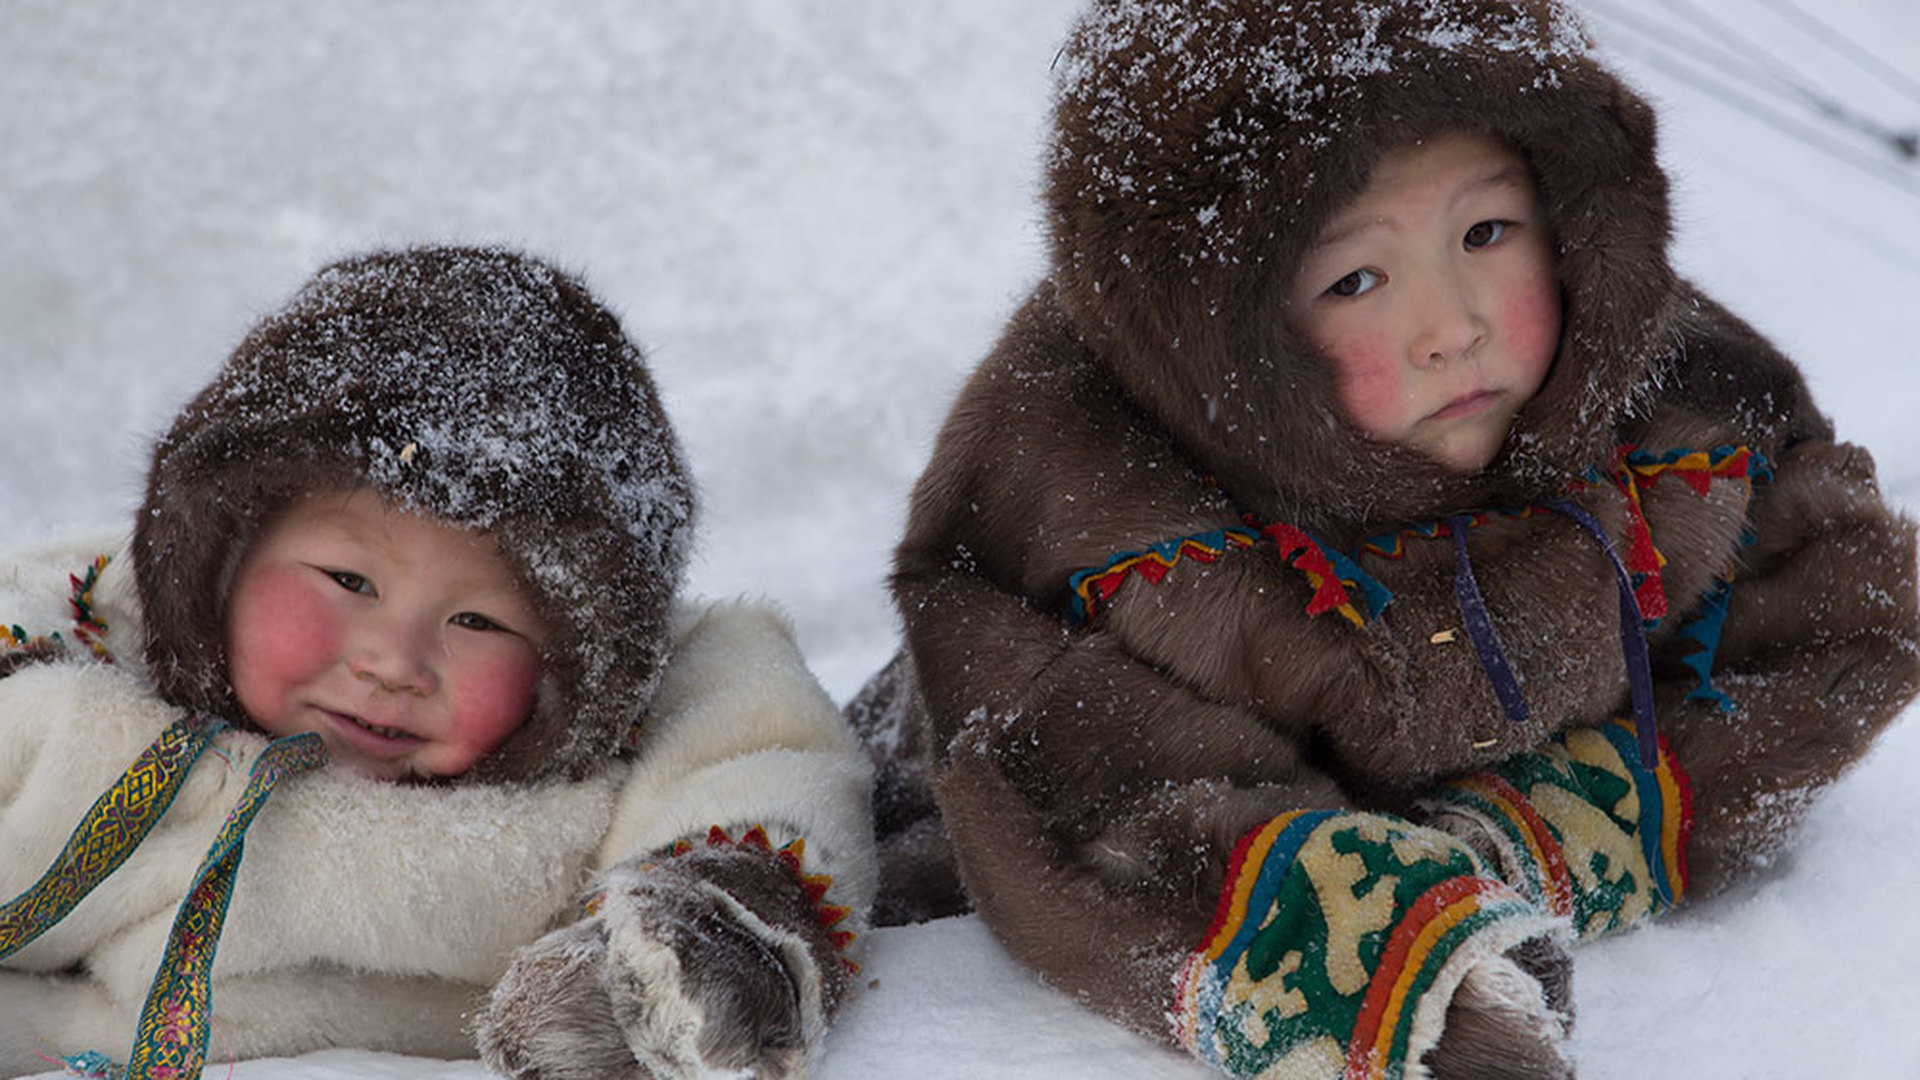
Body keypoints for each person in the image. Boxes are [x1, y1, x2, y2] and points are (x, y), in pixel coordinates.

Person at [851, 1, 1920, 1077]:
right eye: (1356, 278)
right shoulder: (1089, 502)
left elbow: (1838, 604)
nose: (1453, 326)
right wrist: (1402, 970)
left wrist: (1542, 830)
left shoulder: (1666, 401)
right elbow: (1092, 805)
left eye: (1486, 232)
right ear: (1227, 332)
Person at [0, 246, 876, 1080]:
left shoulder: (629, 718)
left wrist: (695, 943)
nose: (394, 662)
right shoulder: (93, 638)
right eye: (348, 579)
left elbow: (765, 762)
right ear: (220, 556)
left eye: (478, 620)